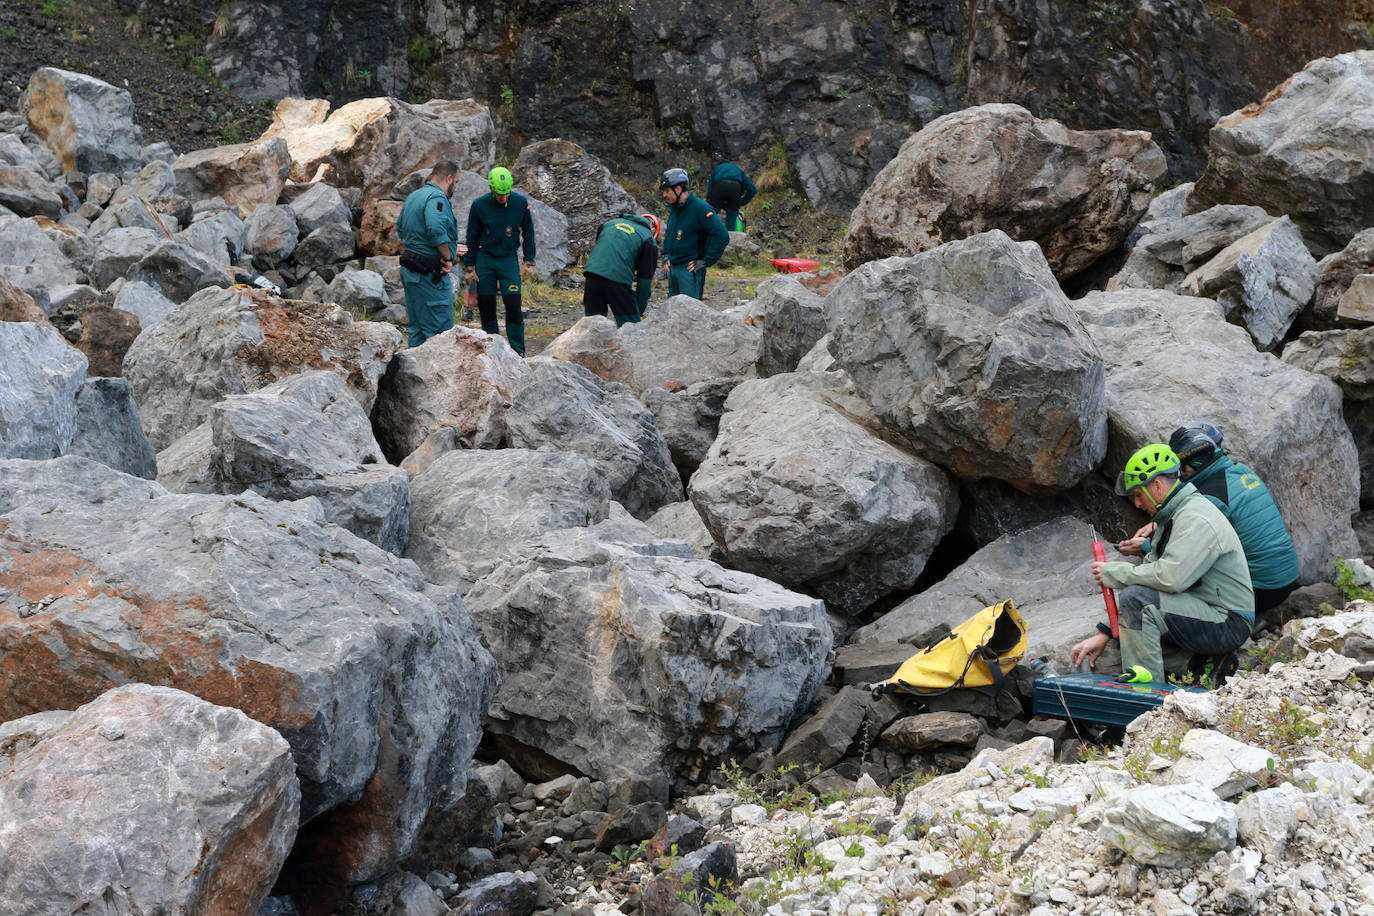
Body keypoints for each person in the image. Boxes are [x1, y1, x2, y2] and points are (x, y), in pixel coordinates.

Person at [1070, 443, 1255, 685]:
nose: (1137, 503)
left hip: (1227, 621)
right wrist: (1106, 631)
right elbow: (1148, 576)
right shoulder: (1173, 516)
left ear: (1157, 486)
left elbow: (1170, 578)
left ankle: (1146, 693)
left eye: (1138, 494)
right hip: (1206, 610)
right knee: (1131, 628)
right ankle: (1205, 667)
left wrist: (1114, 572)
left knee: (1137, 603)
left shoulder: (1195, 518)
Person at [1117, 423, 1300, 616]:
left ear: (1189, 465)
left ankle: (1237, 623)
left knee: (1176, 585)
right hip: (1286, 576)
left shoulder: (1210, 498)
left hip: (1260, 590)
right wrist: (1157, 525)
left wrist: (1146, 546)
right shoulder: (1241, 471)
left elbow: (1185, 556)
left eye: (1178, 466)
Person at [463, 166, 535, 356]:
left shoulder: (520, 203)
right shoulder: (479, 205)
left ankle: (518, 353)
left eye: (506, 193)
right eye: (499, 194)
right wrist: (469, 266)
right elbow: (472, 236)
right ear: (491, 188)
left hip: (508, 259)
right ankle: (492, 352)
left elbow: (528, 232)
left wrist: (528, 261)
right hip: (485, 258)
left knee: (513, 307)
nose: (503, 197)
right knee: (487, 308)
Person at [395, 160, 467, 347]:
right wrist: (448, 257)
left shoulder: (414, 196)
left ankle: (413, 366)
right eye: (456, 182)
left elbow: (401, 228)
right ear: (449, 178)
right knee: (441, 336)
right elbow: (435, 230)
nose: (455, 187)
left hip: (411, 271)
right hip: (430, 276)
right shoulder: (437, 198)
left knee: (417, 331)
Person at [659, 168, 730, 301]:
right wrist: (666, 254)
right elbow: (670, 234)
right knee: (672, 310)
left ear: (678, 189)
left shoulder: (701, 208)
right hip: (673, 269)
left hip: (690, 271)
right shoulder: (675, 210)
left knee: (689, 311)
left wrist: (706, 260)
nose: (664, 195)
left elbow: (722, 235)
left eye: (667, 191)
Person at [582, 213, 661, 326]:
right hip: (618, 280)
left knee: (593, 324)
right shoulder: (648, 239)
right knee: (630, 327)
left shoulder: (609, 224)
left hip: (592, 274)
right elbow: (644, 283)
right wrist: (638, 311)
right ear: (654, 230)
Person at [705, 161, 757, 232]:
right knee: (731, 221)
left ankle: (701, 233)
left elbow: (710, 189)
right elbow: (752, 189)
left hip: (720, 187)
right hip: (735, 189)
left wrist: (709, 201)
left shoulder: (717, 169)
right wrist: (742, 202)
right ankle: (730, 236)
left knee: (710, 214)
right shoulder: (739, 171)